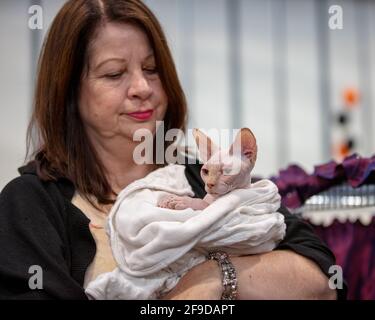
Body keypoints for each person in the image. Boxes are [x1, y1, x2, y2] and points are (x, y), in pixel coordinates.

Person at [0, 0, 345, 300]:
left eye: (152, 69)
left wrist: (212, 280)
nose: (142, 87)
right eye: (114, 73)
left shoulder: (207, 178)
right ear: (70, 93)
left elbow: (324, 280)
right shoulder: (30, 204)